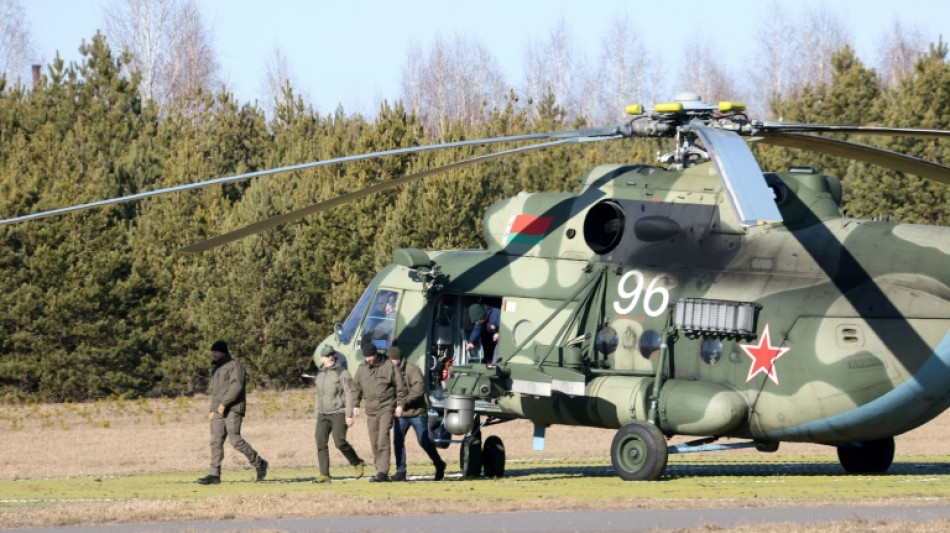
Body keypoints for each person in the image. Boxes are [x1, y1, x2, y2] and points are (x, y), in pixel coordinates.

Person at [197, 340, 268, 485]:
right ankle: (214, 474)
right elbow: (216, 393)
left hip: (233, 409)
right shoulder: (216, 369)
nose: (214, 354)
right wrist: (212, 410)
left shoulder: (235, 366)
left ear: (223, 351)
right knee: (215, 441)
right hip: (218, 410)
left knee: (235, 440)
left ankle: (259, 463)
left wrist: (224, 404)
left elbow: (237, 387)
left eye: (216, 351)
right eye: (213, 352)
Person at [351, 341, 407, 482]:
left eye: (371, 356)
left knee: (383, 438)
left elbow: (401, 387)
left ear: (376, 354)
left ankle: (382, 472)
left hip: (386, 407)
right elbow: (356, 387)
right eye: (366, 357)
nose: (368, 359)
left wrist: (400, 405)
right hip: (370, 409)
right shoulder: (362, 368)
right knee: (374, 441)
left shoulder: (389, 366)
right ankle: (379, 469)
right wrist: (355, 404)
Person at [389, 346, 446, 482]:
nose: (389, 362)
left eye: (391, 360)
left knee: (424, 441)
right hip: (401, 414)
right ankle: (400, 471)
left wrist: (403, 403)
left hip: (416, 412)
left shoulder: (412, 370)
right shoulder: (390, 371)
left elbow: (419, 390)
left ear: (397, 359)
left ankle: (439, 464)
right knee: (398, 441)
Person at [312, 345, 365, 483]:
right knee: (320, 443)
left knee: (339, 442)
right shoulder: (320, 373)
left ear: (330, 357)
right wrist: (317, 412)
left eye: (323, 357)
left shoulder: (342, 373)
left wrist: (349, 415)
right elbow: (319, 394)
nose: (321, 359)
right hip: (323, 414)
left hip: (338, 413)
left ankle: (357, 462)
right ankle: (325, 474)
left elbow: (349, 394)